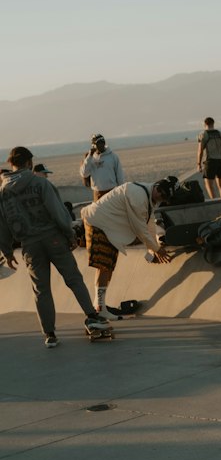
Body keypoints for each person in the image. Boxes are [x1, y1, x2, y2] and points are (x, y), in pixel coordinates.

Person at [0, 146, 113, 346]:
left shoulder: (3, 190)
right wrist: (70, 235)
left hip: (29, 244)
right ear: (29, 163)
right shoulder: (39, 182)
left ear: (11, 164)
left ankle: (50, 334)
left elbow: (2, 224)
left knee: (41, 289)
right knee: (73, 279)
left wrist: (7, 252)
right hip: (52, 237)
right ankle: (92, 316)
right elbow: (57, 211)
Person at [81, 180, 173, 317]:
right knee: (104, 266)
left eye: (165, 199)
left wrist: (152, 250)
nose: (161, 199)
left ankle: (99, 306)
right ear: (157, 188)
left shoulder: (148, 197)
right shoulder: (138, 196)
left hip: (107, 226)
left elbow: (149, 225)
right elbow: (140, 229)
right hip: (99, 223)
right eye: (162, 195)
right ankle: (100, 308)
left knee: (108, 266)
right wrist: (156, 249)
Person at [197, 117, 221, 199]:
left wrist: (198, 164)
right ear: (213, 123)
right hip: (220, 160)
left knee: (209, 184)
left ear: (205, 124)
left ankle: (214, 201)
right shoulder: (220, 133)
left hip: (210, 161)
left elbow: (200, 151)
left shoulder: (203, 134)